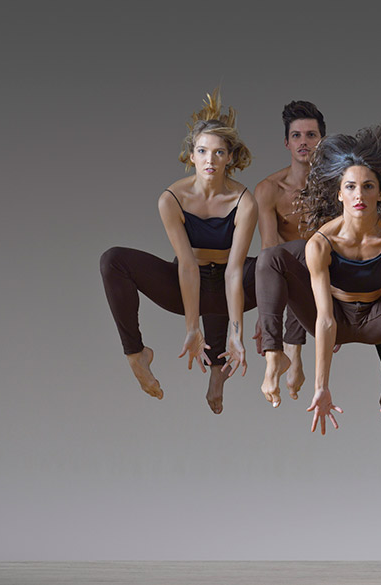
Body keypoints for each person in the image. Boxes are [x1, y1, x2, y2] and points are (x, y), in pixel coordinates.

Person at [256, 118, 381, 433]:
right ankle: (274, 357)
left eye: (368, 186)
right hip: (335, 318)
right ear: (339, 195)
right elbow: (324, 320)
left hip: (379, 319)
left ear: (380, 194)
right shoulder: (321, 243)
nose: (359, 195)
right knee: (271, 257)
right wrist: (321, 386)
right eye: (350, 187)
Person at [100, 90, 258, 414]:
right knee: (113, 259)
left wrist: (238, 334)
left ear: (230, 157)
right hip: (188, 283)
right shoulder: (171, 199)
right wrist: (192, 329)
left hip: (234, 285)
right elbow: (187, 267)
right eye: (202, 151)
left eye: (218, 153)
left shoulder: (245, 201)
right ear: (191, 156)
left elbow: (234, 271)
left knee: (283, 261)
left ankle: (221, 371)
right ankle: (136, 354)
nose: (210, 160)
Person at [253, 100, 326, 405]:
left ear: (321, 140)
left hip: (328, 269)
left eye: (311, 135)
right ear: (286, 142)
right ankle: (286, 354)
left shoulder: (338, 185)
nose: (304, 142)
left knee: (307, 250)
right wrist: (264, 310)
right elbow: (269, 248)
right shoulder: (269, 189)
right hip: (288, 272)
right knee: (287, 254)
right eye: (297, 136)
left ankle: (292, 355)